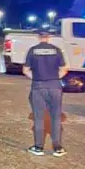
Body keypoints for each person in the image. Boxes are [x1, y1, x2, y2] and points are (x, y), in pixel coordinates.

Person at [23, 29, 69, 157]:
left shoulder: (33, 50)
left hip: (38, 86)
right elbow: (64, 69)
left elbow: (25, 70)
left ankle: (38, 148)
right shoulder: (56, 50)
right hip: (55, 86)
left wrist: (37, 78)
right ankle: (58, 148)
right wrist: (55, 78)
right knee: (56, 117)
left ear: (39, 37)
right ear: (48, 37)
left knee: (39, 118)